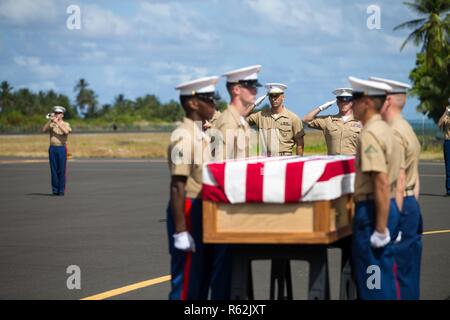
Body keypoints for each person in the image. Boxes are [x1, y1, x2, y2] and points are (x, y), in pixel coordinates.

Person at [167, 76, 230, 300]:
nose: (214, 105)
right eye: (209, 100)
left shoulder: (200, 135)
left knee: (200, 279)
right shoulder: (183, 137)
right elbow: (177, 185)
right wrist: (181, 230)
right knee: (186, 283)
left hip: (200, 207)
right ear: (193, 103)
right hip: (188, 206)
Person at [348, 76, 401, 300]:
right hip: (386, 207)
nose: (351, 104)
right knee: (383, 276)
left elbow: (380, 180)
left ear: (367, 102)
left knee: (373, 280)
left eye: (355, 99)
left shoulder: (370, 133)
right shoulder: (387, 130)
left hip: (372, 212)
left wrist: (380, 228)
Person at [370, 76, 423, 299]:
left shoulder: (393, 132)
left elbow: (398, 180)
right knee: (407, 273)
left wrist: (394, 219)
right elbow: (415, 177)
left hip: (398, 203)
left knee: (394, 275)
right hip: (410, 203)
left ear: (388, 100)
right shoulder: (406, 127)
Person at [213, 65, 262, 159]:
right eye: (251, 87)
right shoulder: (228, 123)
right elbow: (221, 167)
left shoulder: (240, 120)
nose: (255, 91)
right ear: (237, 90)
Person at [247, 83, 305, 156]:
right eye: (271, 96)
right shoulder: (261, 115)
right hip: (266, 158)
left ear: (283, 97)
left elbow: (300, 143)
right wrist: (255, 104)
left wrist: (297, 163)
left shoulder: (293, 118)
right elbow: (241, 118)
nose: (274, 98)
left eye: (276, 96)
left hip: (284, 158)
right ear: (268, 98)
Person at [303, 88, 361, 155]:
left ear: (352, 103)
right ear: (337, 103)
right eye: (341, 101)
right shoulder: (328, 120)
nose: (343, 104)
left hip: (352, 162)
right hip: (334, 162)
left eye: (346, 102)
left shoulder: (360, 121)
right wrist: (321, 108)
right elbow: (306, 119)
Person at [42, 106, 72, 196]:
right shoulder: (51, 124)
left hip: (61, 148)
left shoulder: (66, 124)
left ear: (62, 115)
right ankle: (55, 190)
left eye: (58, 113)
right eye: (55, 113)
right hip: (52, 148)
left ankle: (61, 190)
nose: (56, 114)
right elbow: (43, 130)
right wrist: (50, 121)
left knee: (61, 170)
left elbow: (66, 132)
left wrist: (58, 123)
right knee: (53, 170)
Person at [438, 100, 450, 196]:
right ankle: (449, 190)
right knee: (448, 167)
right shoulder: (446, 115)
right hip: (448, 141)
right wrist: (446, 113)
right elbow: (439, 124)